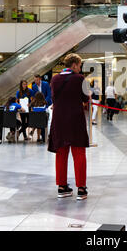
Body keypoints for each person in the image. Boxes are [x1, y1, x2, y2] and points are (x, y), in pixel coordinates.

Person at [48, 54, 90, 200]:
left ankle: (62, 187)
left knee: (61, 153)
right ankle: (81, 188)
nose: (80, 68)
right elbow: (86, 98)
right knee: (79, 153)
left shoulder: (54, 79)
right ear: (74, 65)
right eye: (79, 65)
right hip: (75, 120)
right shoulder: (80, 79)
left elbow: (54, 98)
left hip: (59, 120)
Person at [31, 74, 52, 141]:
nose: (36, 81)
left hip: (47, 103)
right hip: (39, 105)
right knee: (39, 117)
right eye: (34, 80)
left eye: (37, 80)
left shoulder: (46, 84)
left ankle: (44, 135)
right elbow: (35, 97)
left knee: (46, 119)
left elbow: (49, 95)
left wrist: (44, 102)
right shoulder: (34, 86)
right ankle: (41, 136)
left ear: (40, 79)